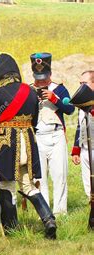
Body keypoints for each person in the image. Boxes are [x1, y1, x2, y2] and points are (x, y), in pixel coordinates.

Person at [0, 52, 57, 239]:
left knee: (7, 185)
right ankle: (48, 219)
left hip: (6, 143)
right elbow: (34, 119)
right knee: (27, 184)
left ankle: (10, 229)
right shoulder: (30, 91)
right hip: (27, 141)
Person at [30, 52, 75, 215]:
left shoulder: (60, 89)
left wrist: (54, 98)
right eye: (38, 77)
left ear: (49, 73)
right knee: (39, 178)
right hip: (37, 136)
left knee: (60, 175)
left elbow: (70, 109)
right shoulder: (29, 90)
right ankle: (45, 212)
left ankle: (60, 212)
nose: (40, 81)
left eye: (43, 77)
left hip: (56, 135)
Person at [71, 70, 94, 198]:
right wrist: (76, 150)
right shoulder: (82, 103)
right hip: (85, 149)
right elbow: (80, 127)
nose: (81, 86)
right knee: (88, 187)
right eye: (80, 83)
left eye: (84, 83)